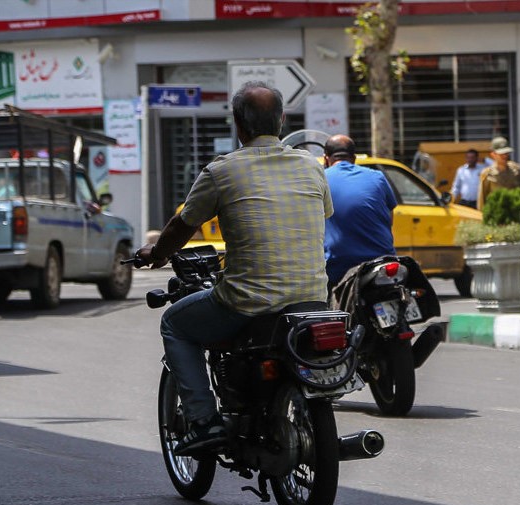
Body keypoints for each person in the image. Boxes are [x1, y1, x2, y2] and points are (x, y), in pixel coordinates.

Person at [134, 82, 332, 456]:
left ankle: (205, 421)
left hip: (246, 301)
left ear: (238, 124)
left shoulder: (221, 171)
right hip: (311, 300)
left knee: (174, 324)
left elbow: (181, 226)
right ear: (282, 120)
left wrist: (157, 254)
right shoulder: (311, 166)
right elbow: (322, 215)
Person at [322, 134, 397, 289]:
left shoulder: (320, 179)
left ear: (325, 159)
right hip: (382, 260)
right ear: (354, 158)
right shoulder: (378, 177)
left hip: (337, 265)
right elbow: (390, 218)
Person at [477, 136, 520, 211]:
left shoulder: (514, 169)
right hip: (497, 212)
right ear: (493, 154)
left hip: (515, 210)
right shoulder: (487, 174)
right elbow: (482, 198)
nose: (505, 156)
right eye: (501, 154)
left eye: (506, 153)